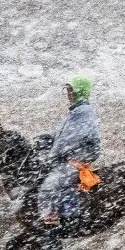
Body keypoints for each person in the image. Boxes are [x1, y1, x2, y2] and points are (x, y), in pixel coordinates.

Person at [37, 75, 102, 226]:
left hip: (76, 160)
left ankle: (54, 226)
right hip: (67, 158)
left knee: (49, 186)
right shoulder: (74, 113)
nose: (68, 95)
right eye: (67, 91)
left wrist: (51, 155)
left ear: (78, 92)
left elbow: (68, 141)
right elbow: (60, 137)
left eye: (70, 91)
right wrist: (45, 140)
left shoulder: (83, 113)